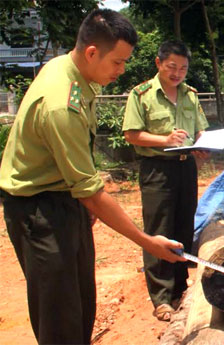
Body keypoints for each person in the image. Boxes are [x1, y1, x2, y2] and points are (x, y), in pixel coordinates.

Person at [0, 9, 185, 345]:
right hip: (38, 211)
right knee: (59, 317)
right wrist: (148, 242)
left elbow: (80, 181)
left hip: (65, 198)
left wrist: (81, 206)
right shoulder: (61, 103)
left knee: (82, 303)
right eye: (117, 62)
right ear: (91, 52)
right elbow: (90, 190)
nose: (122, 70)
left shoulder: (74, 72)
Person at [122, 40, 209, 322]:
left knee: (184, 227)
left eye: (183, 68)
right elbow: (132, 134)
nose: (178, 73)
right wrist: (164, 140)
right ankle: (161, 298)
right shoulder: (141, 94)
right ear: (159, 63)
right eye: (172, 67)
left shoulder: (190, 95)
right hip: (157, 170)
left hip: (186, 169)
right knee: (159, 229)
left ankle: (180, 288)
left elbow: (200, 130)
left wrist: (203, 145)